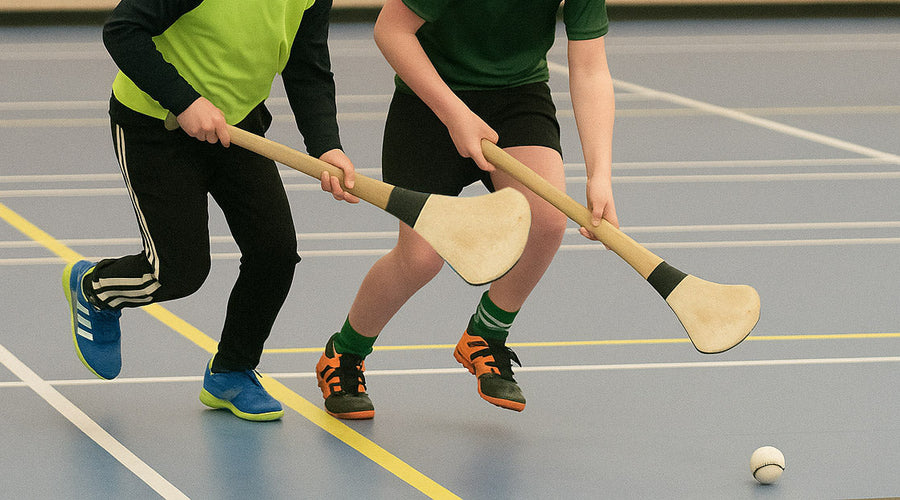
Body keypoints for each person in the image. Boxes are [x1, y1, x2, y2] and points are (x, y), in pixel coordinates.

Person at [314, 0, 618, 419]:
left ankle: (485, 335)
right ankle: (344, 353)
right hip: (429, 98)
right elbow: (391, 30)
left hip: (518, 97)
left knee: (547, 221)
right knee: (420, 260)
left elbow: (590, 67)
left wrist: (600, 174)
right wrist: (455, 114)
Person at [62, 0, 358, 422]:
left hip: (236, 127)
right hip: (155, 124)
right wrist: (185, 101)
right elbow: (122, 31)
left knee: (274, 253)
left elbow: (306, 64)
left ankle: (231, 371)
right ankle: (96, 289)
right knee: (179, 272)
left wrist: (326, 145)